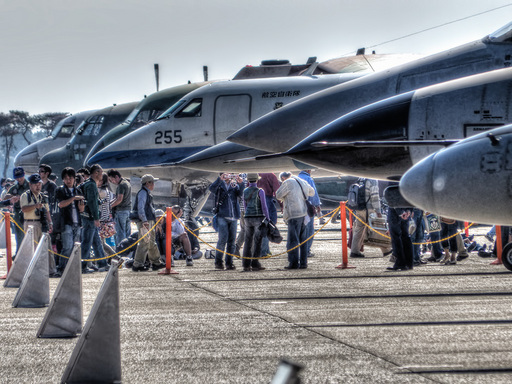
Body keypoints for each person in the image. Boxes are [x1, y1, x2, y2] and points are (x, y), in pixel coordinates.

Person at [276, 171, 314, 269]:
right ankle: (303, 263)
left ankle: (293, 263)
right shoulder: (302, 181)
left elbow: (278, 195)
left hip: (293, 214)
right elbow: (312, 192)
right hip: (303, 214)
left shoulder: (288, 182)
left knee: (293, 240)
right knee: (303, 240)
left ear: (283, 178)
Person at [20, 173, 56, 276]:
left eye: (39, 184)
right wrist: (36, 206)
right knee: (32, 248)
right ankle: (33, 271)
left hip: (42, 223)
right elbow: (24, 209)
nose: (38, 186)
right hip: (31, 223)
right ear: (30, 184)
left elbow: (47, 211)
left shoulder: (43, 196)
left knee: (47, 247)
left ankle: (50, 270)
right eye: (35, 184)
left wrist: (50, 222)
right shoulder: (25, 195)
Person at [132, 174, 169, 271]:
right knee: (145, 242)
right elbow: (140, 208)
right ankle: (137, 264)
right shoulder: (143, 193)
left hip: (149, 221)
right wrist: (144, 220)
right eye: (152, 182)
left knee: (151, 242)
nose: (154, 185)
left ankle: (156, 262)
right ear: (147, 183)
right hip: (146, 221)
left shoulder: (146, 193)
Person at [349, 178, 392, 258]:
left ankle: (354, 251)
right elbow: (374, 196)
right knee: (378, 228)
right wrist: (378, 210)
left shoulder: (360, 178)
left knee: (358, 229)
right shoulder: (373, 180)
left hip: (359, 208)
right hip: (369, 209)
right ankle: (386, 250)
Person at [209, 173, 243, 270]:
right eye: (226, 174)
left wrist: (241, 184)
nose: (229, 175)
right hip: (222, 215)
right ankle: (218, 262)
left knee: (232, 241)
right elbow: (211, 189)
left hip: (233, 216)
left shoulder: (234, 185)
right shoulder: (219, 185)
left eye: (230, 174)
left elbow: (241, 194)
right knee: (222, 240)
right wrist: (219, 179)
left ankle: (229, 262)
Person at [80, 164, 109, 273]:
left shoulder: (88, 184)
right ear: (96, 173)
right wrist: (96, 218)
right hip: (90, 218)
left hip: (88, 217)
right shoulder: (91, 185)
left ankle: (102, 263)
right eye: (101, 172)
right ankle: (82, 266)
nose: (102, 175)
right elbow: (92, 203)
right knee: (87, 242)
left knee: (96, 242)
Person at [56, 167, 84, 275]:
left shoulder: (78, 190)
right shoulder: (60, 190)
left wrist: (81, 205)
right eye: (66, 178)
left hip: (77, 222)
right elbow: (61, 204)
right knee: (67, 247)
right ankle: (62, 268)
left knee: (75, 247)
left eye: (71, 178)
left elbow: (82, 209)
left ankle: (73, 268)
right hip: (66, 222)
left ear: (74, 179)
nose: (69, 180)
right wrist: (73, 198)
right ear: (63, 179)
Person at [242, 173, 271, 272]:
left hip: (247, 218)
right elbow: (264, 206)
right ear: (257, 180)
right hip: (258, 217)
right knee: (257, 241)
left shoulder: (245, 191)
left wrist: (247, 214)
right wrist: (267, 218)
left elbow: (245, 205)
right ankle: (255, 263)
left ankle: (246, 264)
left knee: (248, 241)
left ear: (248, 181)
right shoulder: (260, 191)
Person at [5, 167, 30, 256]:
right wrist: (13, 196)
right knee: (19, 235)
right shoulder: (14, 188)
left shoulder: (30, 185)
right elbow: (6, 197)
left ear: (24, 175)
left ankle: (28, 253)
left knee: (29, 235)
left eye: (20, 176)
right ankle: (19, 253)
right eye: (17, 177)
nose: (19, 179)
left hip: (29, 213)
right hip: (17, 213)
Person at [297, 170, 321, 258]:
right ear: (308, 170)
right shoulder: (308, 179)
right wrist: (317, 205)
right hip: (308, 207)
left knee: (299, 230)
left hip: (297, 208)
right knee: (309, 230)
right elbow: (314, 194)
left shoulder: (295, 178)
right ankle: (306, 250)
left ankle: (298, 250)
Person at [257, 173, 280, 257]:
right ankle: (263, 251)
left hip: (255, 201)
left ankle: (265, 250)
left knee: (259, 227)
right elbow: (278, 192)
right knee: (268, 226)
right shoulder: (271, 175)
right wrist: (281, 205)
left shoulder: (254, 173)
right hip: (268, 200)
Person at [107, 169, 132, 246]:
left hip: (121, 211)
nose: (112, 182)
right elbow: (118, 198)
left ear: (116, 177)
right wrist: (110, 203)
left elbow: (119, 199)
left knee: (120, 234)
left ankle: (120, 251)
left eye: (112, 179)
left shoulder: (121, 185)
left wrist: (110, 206)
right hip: (128, 211)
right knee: (128, 234)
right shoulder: (127, 183)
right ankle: (128, 251)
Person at [386, 206, 414, 271]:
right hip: (406, 210)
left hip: (396, 213)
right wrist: (409, 210)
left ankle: (400, 262)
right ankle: (409, 263)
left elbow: (393, 198)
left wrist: (401, 212)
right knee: (405, 236)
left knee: (396, 237)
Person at [97, 173, 116, 261]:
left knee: (101, 243)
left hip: (101, 220)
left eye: (100, 180)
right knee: (102, 243)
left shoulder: (101, 191)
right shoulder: (107, 190)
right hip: (105, 219)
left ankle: (111, 259)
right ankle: (116, 257)